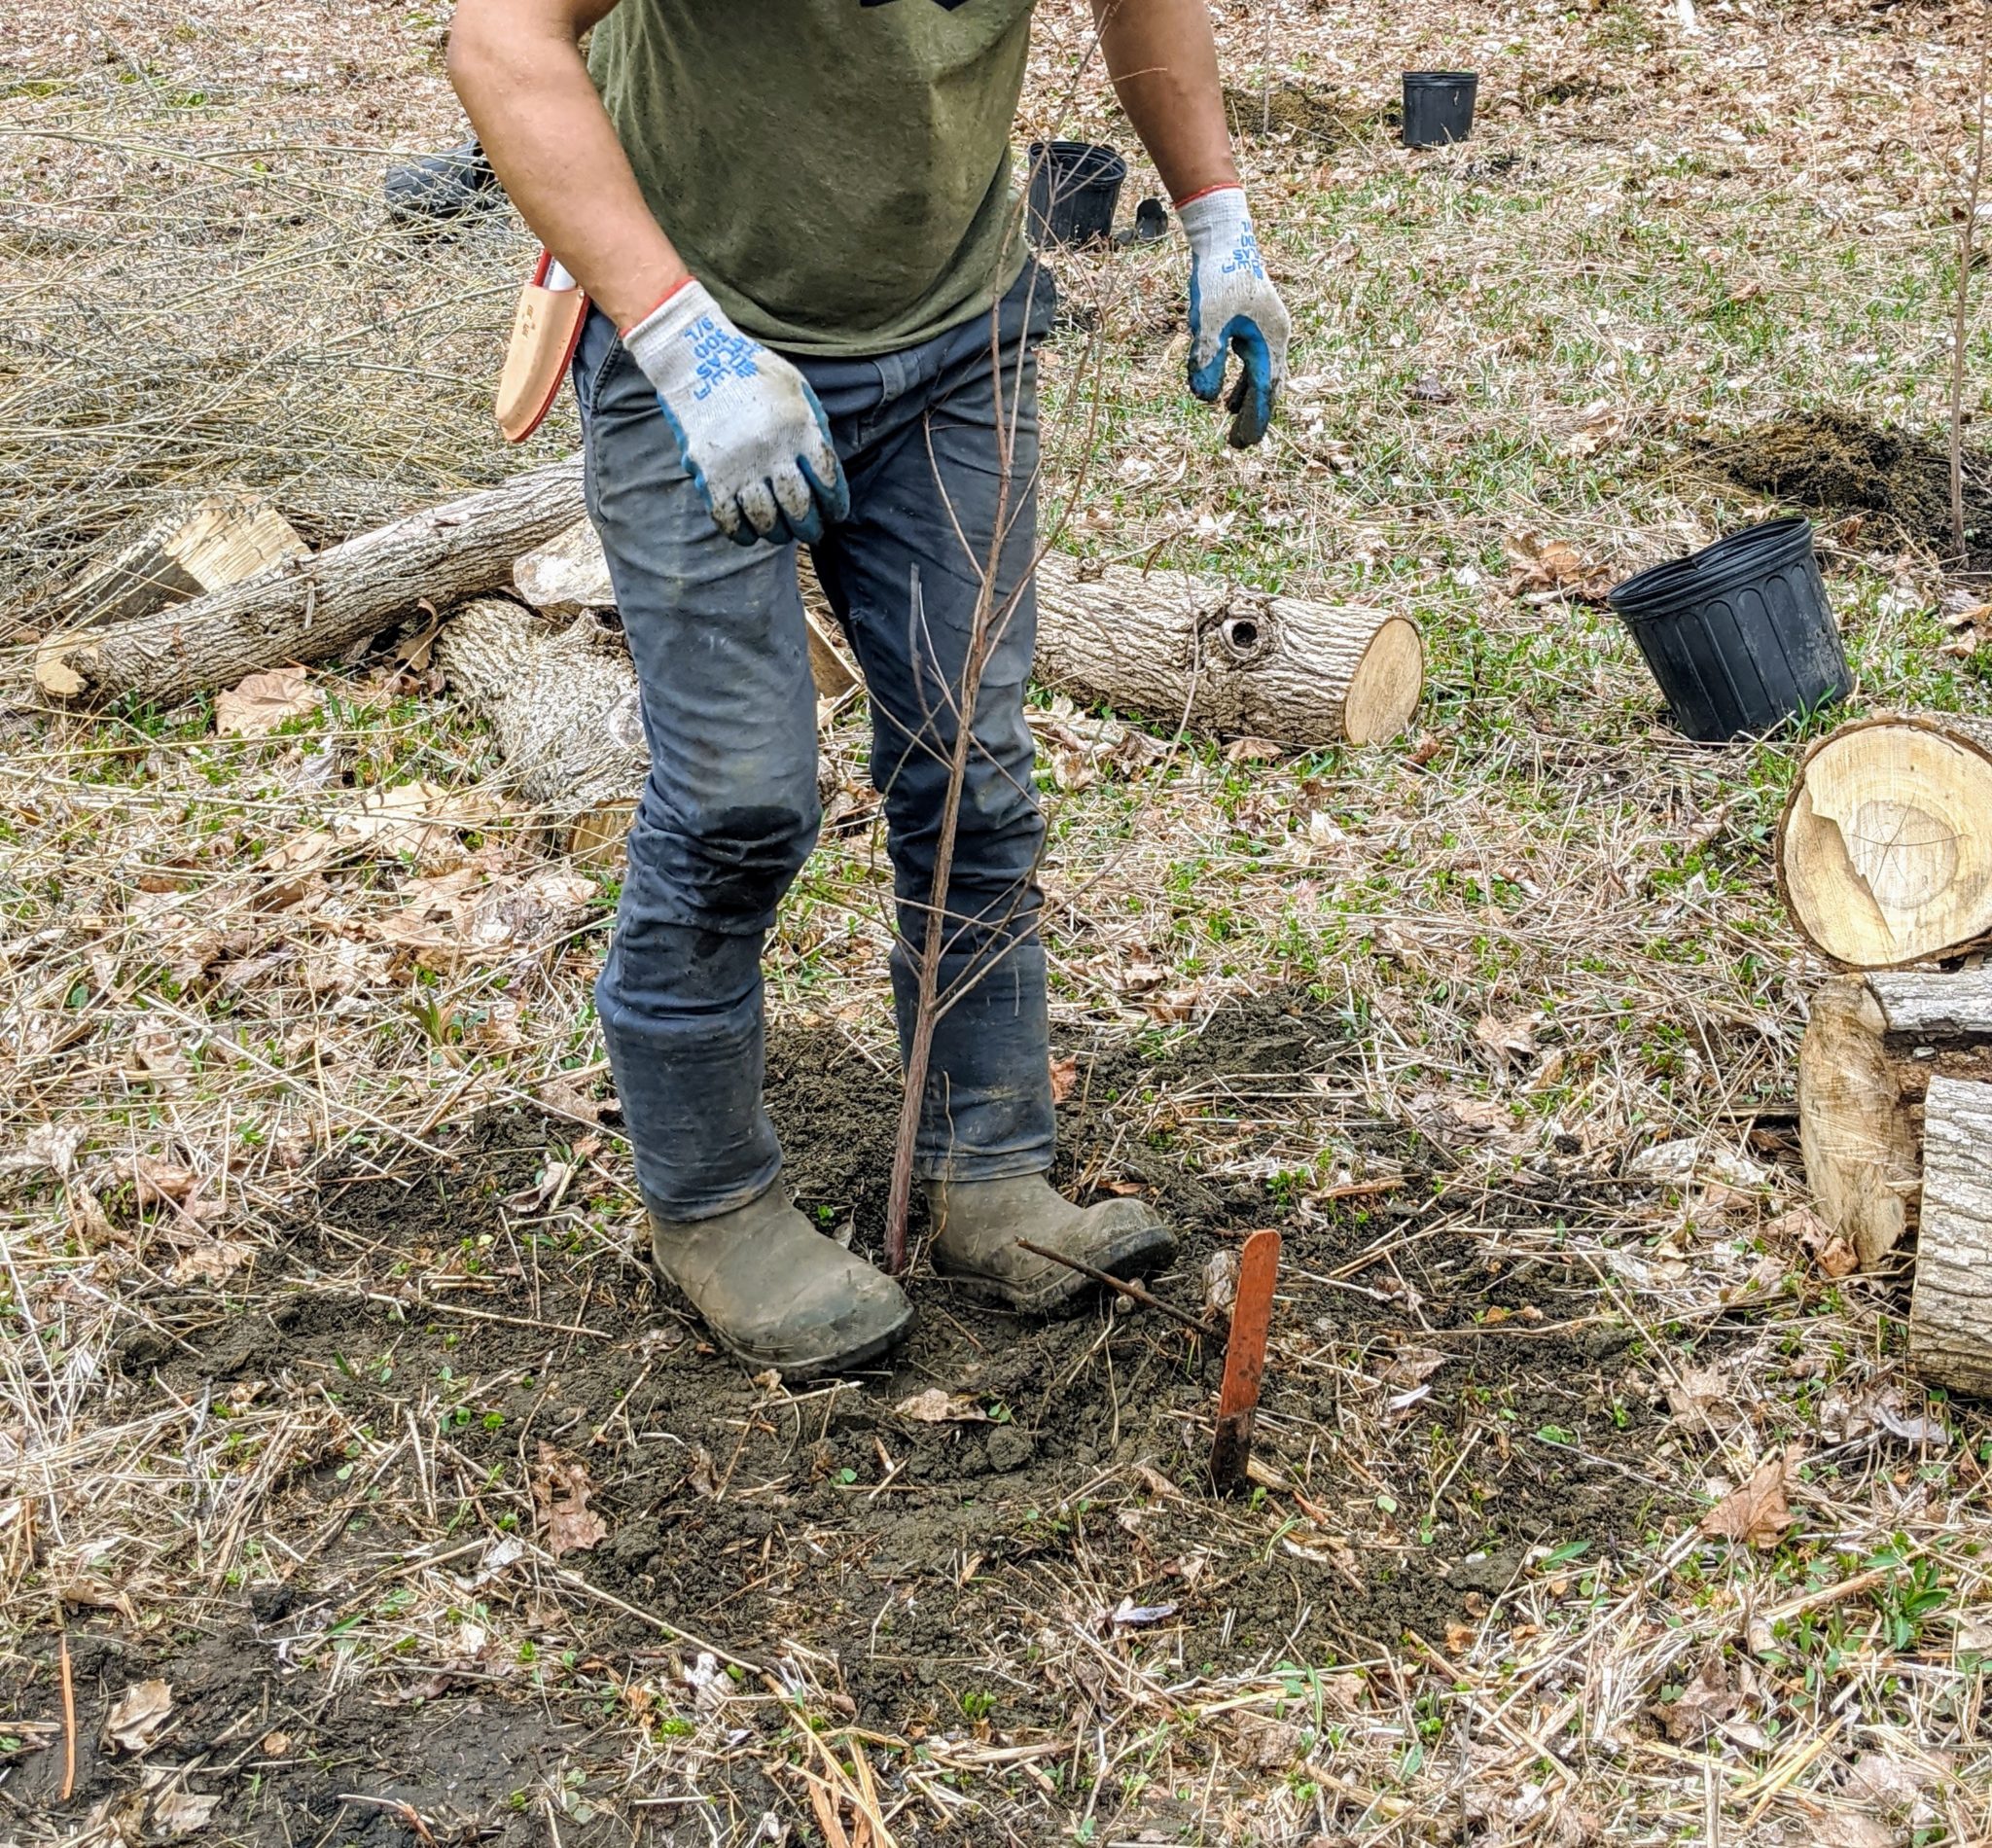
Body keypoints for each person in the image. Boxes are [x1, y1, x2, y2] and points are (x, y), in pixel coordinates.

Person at [446, 0, 1291, 1378]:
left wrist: (1215, 218)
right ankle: (712, 1204)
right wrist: (681, 345)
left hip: (961, 334)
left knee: (973, 770)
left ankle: (991, 1168)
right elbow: (501, 40)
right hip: (696, 328)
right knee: (740, 802)